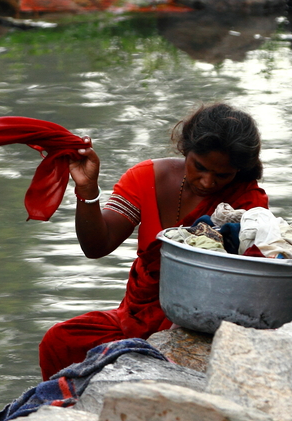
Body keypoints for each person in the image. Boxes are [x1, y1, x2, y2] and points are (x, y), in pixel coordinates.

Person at [38, 103, 270, 379]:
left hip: (194, 323)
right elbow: (97, 246)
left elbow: (241, 287)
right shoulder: (146, 177)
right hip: (132, 319)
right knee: (59, 340)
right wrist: (87, 189)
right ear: (185, 149)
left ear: (238, 172)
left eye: (222, 175)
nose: (208, 182)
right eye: (200, 167)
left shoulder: (248, 202)